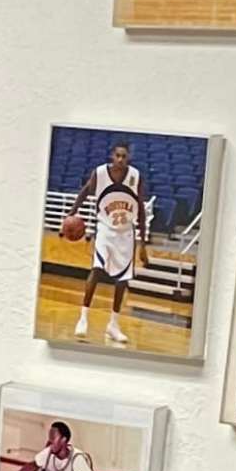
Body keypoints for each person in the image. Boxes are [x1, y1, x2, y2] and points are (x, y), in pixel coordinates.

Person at [70, 140, 151, 346]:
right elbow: (85, 191)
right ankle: (83, 318)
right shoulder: (100, 173)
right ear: (112, 156)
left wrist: (143, 242)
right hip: (105, 230)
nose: (121, 160)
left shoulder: (135, 176)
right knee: (97, 270)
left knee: (122, 281)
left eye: (124, 156)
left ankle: (113, 325)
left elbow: (140, 209)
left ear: (128, 158)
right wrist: (72, 213)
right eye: (118, 156)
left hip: (126, 233)